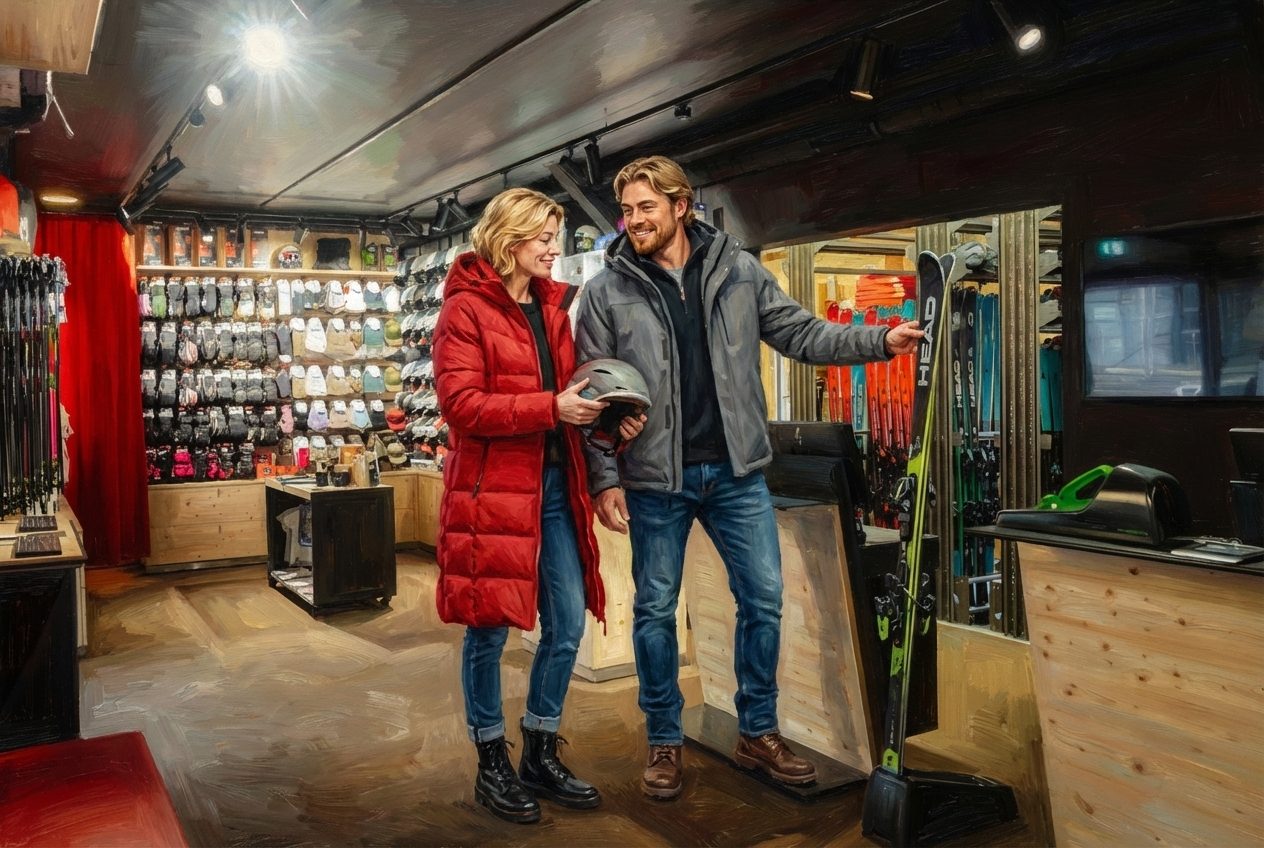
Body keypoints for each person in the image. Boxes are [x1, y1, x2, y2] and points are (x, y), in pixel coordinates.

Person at [574, 156, 923, 801]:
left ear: (682, 206)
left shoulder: (737, 271)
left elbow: (801, 333)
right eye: (627, 211)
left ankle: (756, 731)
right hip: (655, 477)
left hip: (736, 473)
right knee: (654, 611)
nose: (634, 221)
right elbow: (590, 393)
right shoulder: (604, 292)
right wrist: (604, 479)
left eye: (646, 207)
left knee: (764, 601)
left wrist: (880, 341)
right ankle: (664, 740)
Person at [432, 187, 644, 823]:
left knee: (567, 623)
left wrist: (609, 421)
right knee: (489, 627)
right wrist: (549, 407)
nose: (556, 249)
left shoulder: (555, 308)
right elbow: (461, 407)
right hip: (491, 491)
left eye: (556, 237)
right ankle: (491, 760)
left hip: (555, 486)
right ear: (509, 240)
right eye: (545, 238)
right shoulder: (463, 311)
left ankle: (540, 748)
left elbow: (572, 395)